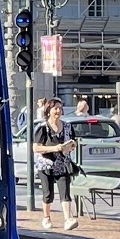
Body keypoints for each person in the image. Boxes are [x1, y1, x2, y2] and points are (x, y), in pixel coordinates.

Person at [33, 97, 79, 231]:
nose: (58, 111)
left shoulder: (67, 126)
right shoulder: (42, 128)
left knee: (65, 191)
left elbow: (72, 142)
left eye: (60, 108)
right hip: (46, 164)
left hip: (62, 163)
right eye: (55, 108)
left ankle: (68, 219)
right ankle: (46, 217)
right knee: (48, 193)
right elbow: (36, 148)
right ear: (49, 111)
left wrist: (70, 146)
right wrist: (54, 148)